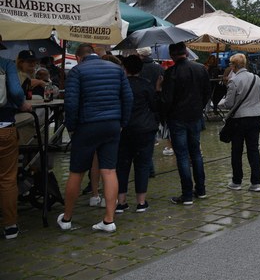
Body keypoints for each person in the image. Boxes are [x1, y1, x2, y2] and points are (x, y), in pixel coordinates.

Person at [57, 44, 133, 233]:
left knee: (77, 172)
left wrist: (72, 127)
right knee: (109, 171)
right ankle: (109, 220)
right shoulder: (117, 69)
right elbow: (128, 98)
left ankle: (67, 218)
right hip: (112, 124)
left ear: (78, 57)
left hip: (87, 125)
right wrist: (122, 122)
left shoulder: (77, 71)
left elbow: (71, 103)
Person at [160, 42, 211, 205]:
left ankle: (187, 194)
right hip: (195, 116)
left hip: (177, 118)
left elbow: (167, 100)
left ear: (172, 55)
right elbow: (207, 92)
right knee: (195, 153)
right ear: (187, 53)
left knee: (182, 155)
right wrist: (199, 107)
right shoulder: (200, 69)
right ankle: (201, 189)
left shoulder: (171, 72)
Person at [115, 55, 159, 214]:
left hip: (123, 129)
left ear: (124, 68)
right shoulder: (146, 85)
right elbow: (154, 106)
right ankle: (141, 202)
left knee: (122, 165)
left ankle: (121, 201)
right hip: (144, 129)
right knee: (142, 164)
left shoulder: (120, 85)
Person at [220, 54, 260, 192]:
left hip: (239, 120)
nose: (230, 66)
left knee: (237, 151)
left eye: (231, 64)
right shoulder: (256, 78)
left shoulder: (234, 81)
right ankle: (256, 183)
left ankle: (237, 181)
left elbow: (229, 104)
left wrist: (222, 103)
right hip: (255, 118)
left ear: (234, 66)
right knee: (254, 150)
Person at [1, 38, 32, 239]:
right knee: (6, 179)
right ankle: (10, 226)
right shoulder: (6, 64)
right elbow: (14, 90)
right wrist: (21, 104)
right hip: (4, 126)